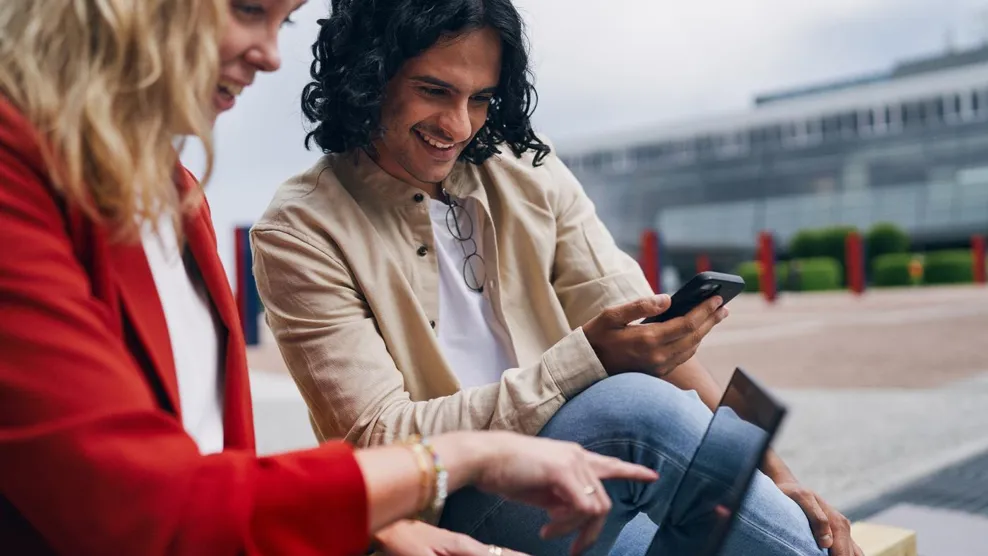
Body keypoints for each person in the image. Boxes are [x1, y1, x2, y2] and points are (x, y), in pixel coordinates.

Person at [0, 1, 660, 555]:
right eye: (248, 8)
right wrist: (458, 459)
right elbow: (144, 500)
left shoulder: (176, 197)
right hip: (445, 495)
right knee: (627, 413)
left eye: (283, 22)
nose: (269, 55)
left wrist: (386, 516)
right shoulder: (22, 175)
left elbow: (208, 463)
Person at [251, 0, 865, 555]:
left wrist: (779, 480)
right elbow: (379, 441)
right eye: (435, 91)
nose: (460, 125)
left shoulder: (525, 170)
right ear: (369, 76)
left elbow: (643, 320)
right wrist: (585, 363)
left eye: (481, 97)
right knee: (631, 405)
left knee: (719, 527)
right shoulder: (301, 229)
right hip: (444, 515)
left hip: (583, 497)